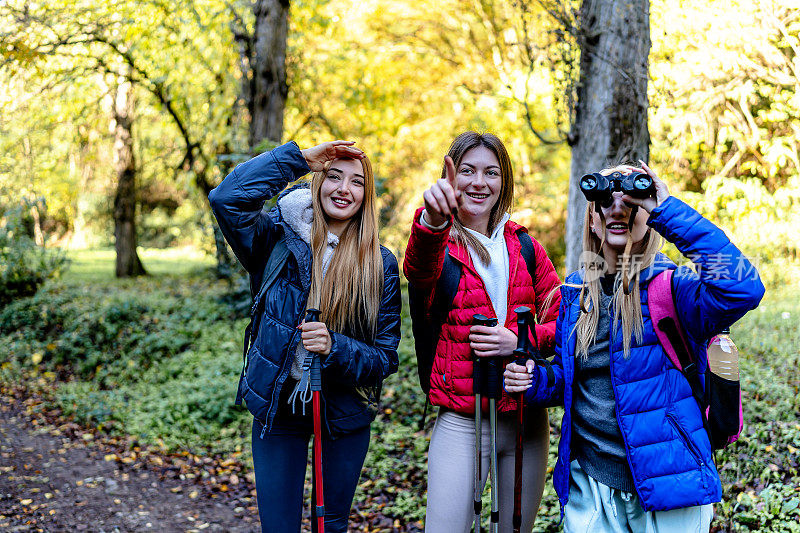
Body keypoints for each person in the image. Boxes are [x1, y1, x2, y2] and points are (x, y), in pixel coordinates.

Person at [504, 162, 765, 532]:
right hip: (591, 484)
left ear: (649, 218)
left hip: (670, 481)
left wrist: (665, 208)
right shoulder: (575, 294)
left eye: (631, 200)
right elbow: (576, 380)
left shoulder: (674, 290)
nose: (617, 208)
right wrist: (537, 379)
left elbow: (744, 287)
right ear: (592, 219)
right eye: (605, 201)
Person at [208, 140, 401, 532]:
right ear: (317, 180)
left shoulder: (379, 264)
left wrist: (335, 346)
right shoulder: (274, 239)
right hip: (280, 404)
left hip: (342, 408)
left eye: (357, 181)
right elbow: (227, 198)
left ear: (367, 195)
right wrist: (296, 159)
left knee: (329, 526)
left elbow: (385, 358)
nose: (344, 189)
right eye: (334, 176)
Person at [403, 131, 562, 532]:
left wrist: (521, 340)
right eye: (468, 171)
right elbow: (418, 269)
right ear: (450, 179)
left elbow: (564, 322)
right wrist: (433, 222)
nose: (479, 182)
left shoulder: (526, 247)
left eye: (491, 172)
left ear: (503, 181)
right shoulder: (438, 244)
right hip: (463, 421)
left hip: (527, 418)